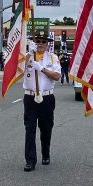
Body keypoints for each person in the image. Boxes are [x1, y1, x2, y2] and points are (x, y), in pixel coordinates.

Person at [22, 32, 61, 172]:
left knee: (46, 128)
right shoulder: (27, 56)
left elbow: (57, 76)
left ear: (47, 44)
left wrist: (42, 69)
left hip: (46, 97)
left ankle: (45, 153)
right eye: (37, 41)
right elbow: (18, 71)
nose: (40, 43)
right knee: (30, 129)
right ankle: (30, 160)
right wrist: (29, 55)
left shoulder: (53, 57)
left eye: (43, 41)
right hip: (30, 97)